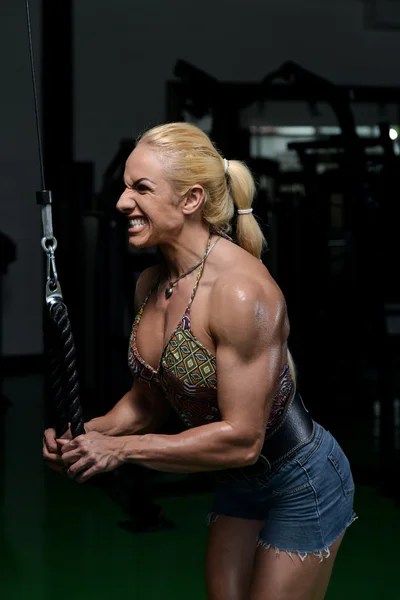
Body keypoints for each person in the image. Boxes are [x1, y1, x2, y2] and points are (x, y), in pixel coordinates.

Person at [43, 122, 356, 600]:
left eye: (141, 188)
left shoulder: (240, 290)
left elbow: (244, 439)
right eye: (125, 186)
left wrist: (122, 451)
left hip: (300, 480)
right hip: (236, 481)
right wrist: (86, 436)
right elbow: (147, 403)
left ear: (190, 200)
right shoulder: (151, 283)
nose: (122, 202)